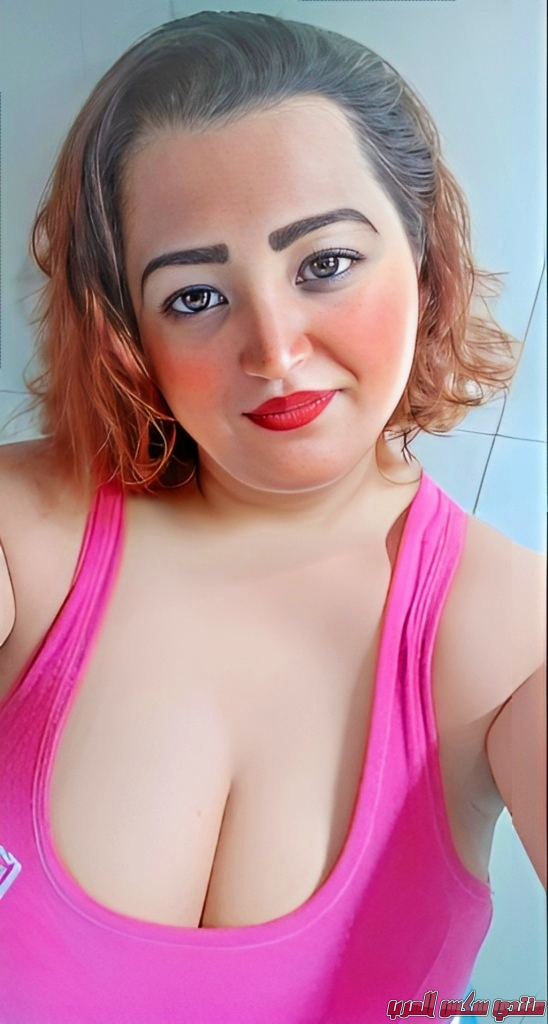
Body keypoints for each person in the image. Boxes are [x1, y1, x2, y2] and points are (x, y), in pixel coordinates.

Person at [0, 10, 545, 1023]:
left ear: (423, 258)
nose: (274, 349)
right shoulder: (22, 532)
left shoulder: (512, 631)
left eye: (324, 264)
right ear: (128, 331)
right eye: (194, 297)